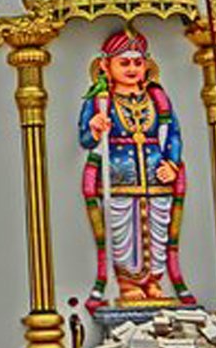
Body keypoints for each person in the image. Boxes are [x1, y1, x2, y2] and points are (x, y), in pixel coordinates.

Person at [79, 27, 195, 310]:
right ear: (106, 66)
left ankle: (154, 281)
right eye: (124, 62)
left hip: (156, 175)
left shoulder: (158, 100)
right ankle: (128, 283)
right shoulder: (100, 101)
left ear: (147, 65)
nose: (131, 68)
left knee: (158, 228)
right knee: (123, 229)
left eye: (137, 62)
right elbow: (84, 138)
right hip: (119, 175)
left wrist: (171, 162)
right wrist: (95, 129)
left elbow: (174, 134)